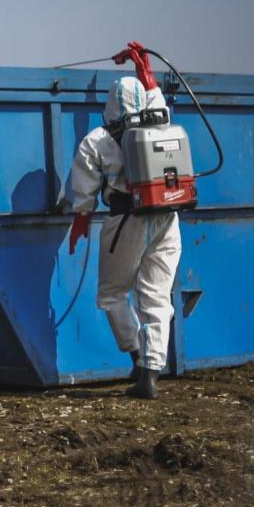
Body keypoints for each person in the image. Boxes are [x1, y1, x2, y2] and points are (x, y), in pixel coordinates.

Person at [67, 42, 182, 400]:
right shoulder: (161, 119)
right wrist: (141, 61)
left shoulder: (97, 140)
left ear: (109, 105)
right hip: (168, 216)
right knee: (156, 297)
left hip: (125, 221)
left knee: (111, 294)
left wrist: (80, 221)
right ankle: (150, 373)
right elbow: (151, 88)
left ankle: (134, 355)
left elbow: (83, 190)